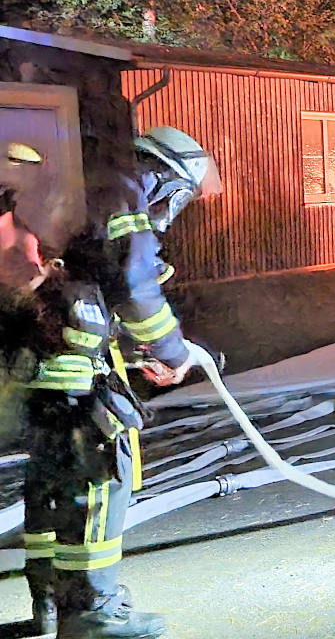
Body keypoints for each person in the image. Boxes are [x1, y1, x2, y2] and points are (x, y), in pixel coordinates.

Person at [9, 126, 221, 638]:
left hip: (40, 368)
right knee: (100, 483)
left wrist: (132, 347)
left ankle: (52, 606)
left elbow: (90, 284)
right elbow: (133, 283)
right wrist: (172, 350)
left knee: (52, 485)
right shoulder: (124, 194)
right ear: (169, 180)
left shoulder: (82, 190)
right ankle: (93, 614)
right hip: (78, 377)